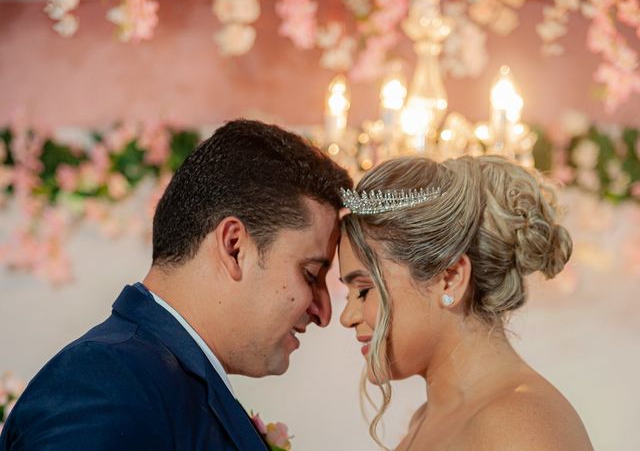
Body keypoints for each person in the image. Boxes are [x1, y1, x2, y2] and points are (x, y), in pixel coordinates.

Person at [0, 119, 352, 450]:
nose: (323, 312)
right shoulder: (105, 381)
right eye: (310, 274)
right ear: (234, 247)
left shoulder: (159, 374)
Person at [338, 155, 594, 450]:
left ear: (450, 279)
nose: (347, 316)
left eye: (364, 290)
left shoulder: (520, 427)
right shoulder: (427, 419)